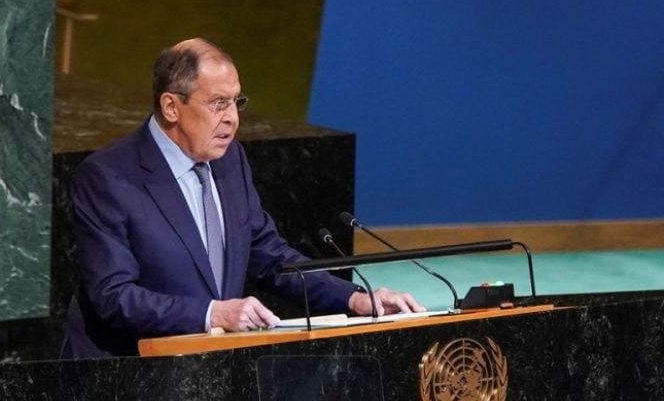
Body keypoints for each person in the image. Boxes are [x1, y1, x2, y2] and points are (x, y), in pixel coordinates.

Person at [61, 38, 424, 358]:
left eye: (237, 102)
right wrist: (211, 313)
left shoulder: (230, 159)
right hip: (125, 378)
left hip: (211, 373)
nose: (233, 119)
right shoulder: (108, 177)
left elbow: (269, 256)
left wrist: (354, 298)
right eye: (218, 103)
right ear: (172, 107)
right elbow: (113, 296)